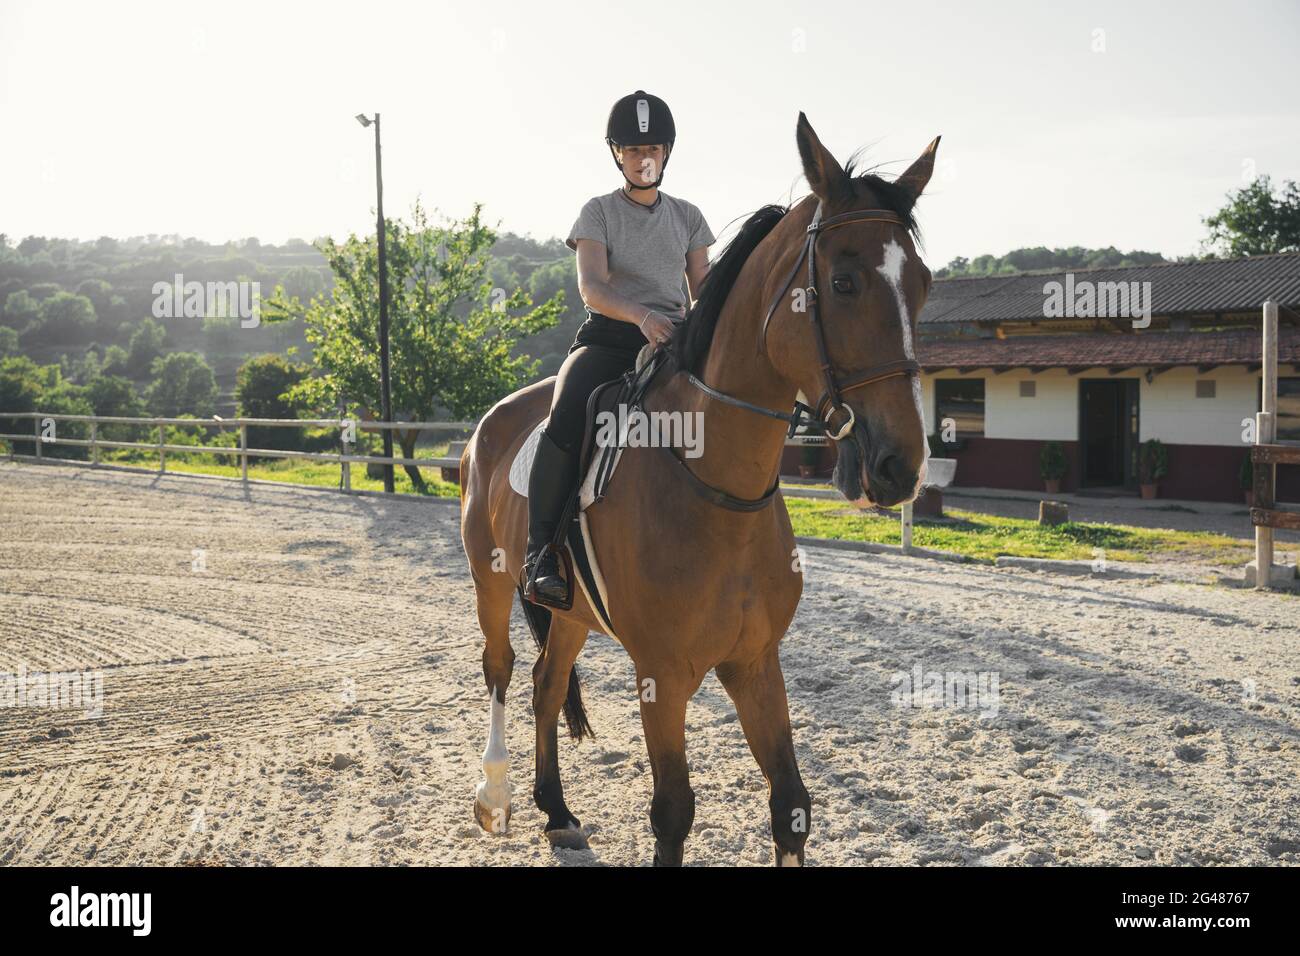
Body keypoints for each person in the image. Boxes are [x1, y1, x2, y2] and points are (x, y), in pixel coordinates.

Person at [523, 89, 715, 605]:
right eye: (633, 150)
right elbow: (593, 287)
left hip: (675, 341)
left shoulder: (689, 216)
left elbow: (704, 288)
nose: (643, 158)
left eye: (652, 149)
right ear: (617, 155)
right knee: (566, 413)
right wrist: (642, 315)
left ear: (666, 153)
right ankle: (540, 552)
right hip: (609, 340)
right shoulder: (598, 213)